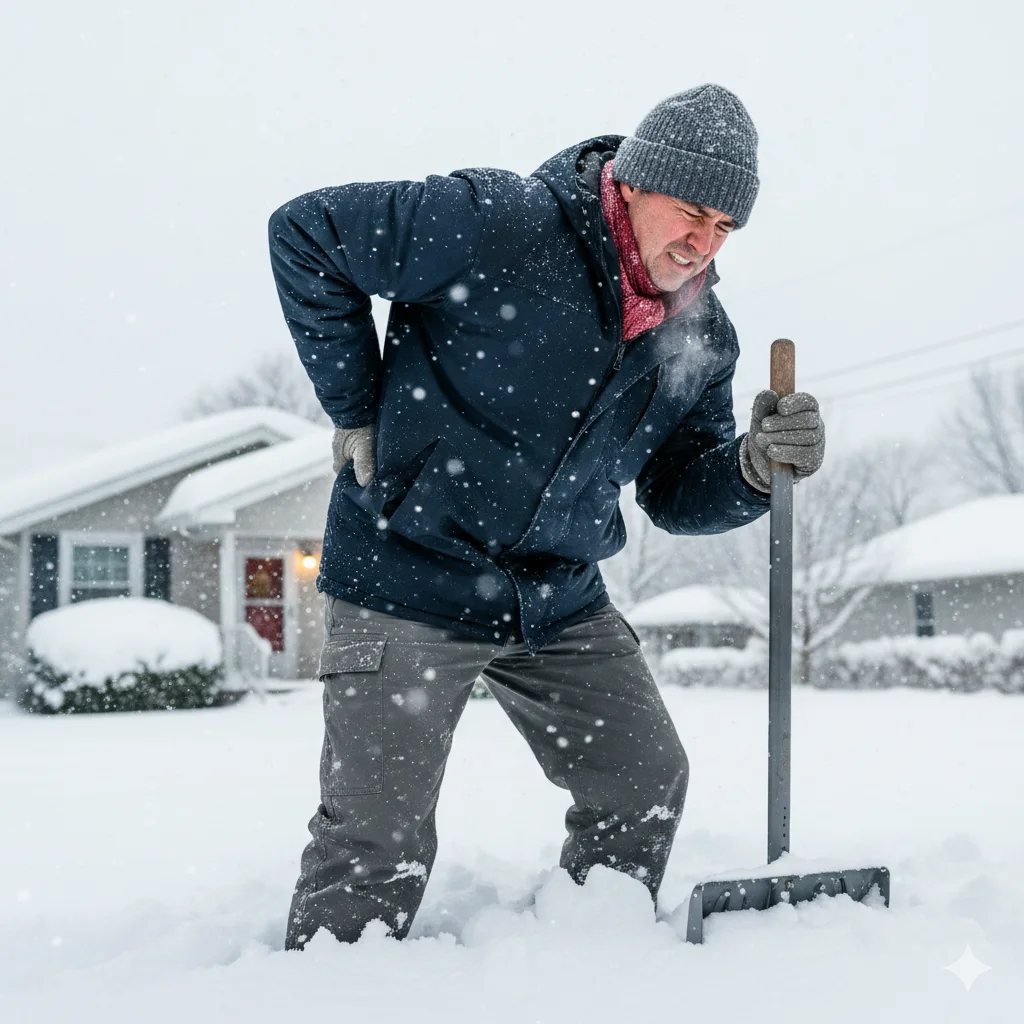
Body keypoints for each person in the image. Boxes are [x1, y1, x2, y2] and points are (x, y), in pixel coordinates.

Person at [268, 83, 825, 948]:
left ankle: (587, 961)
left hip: (557, 599)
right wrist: (355, 402)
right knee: (377, 839)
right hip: (406, 574)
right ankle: (331, 994)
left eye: (726, 227)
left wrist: (751, 471)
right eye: (690, 211)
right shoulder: (496, 222)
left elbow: (677, 494)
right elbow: (306, 233)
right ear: (633, 183)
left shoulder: (703, 338)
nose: (703, 243)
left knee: (642, 781)